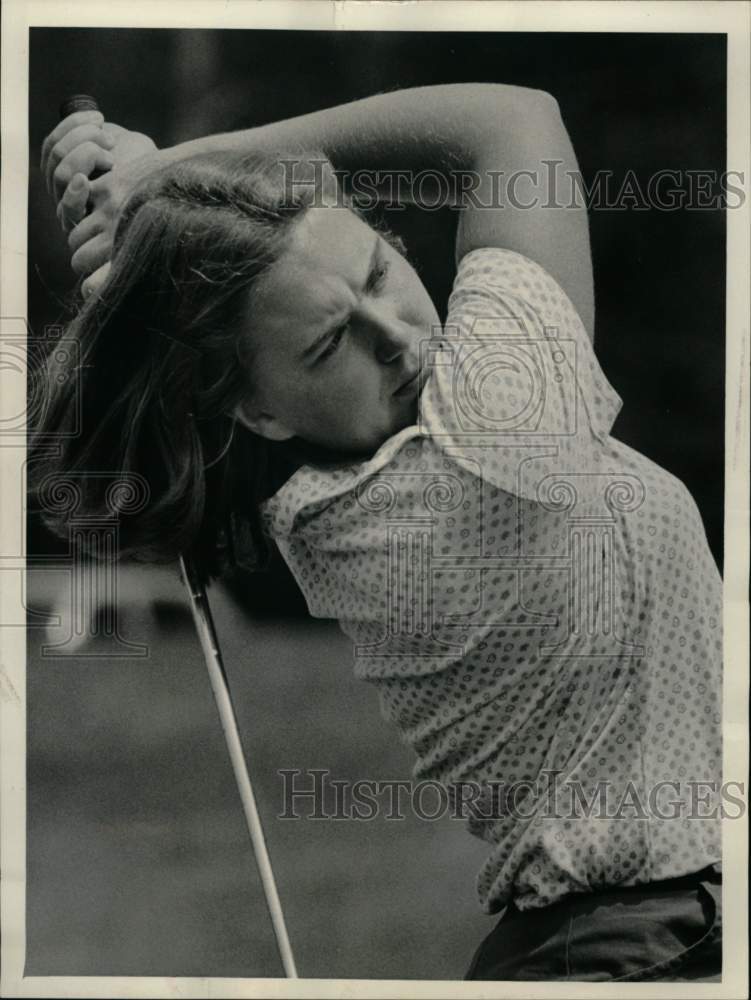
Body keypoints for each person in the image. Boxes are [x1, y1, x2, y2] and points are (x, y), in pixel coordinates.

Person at [36, 84, 723, 982]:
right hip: (653, 950)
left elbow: (244, 305)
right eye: (332, 346)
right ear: (259, 410)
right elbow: (513, 122)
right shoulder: (491, 442)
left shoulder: (326, 498)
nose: (396, 338)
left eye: (379, 275)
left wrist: (162, 207)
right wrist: (183, 165)